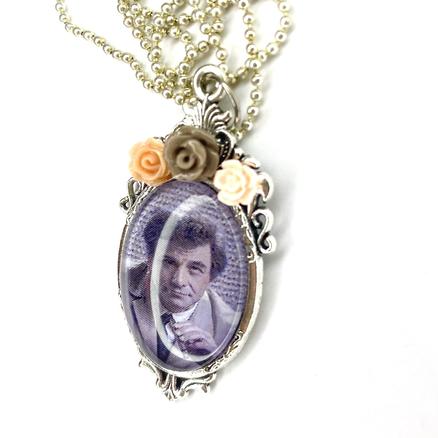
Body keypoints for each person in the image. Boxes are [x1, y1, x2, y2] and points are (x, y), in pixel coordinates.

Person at [129, 211, 236, 369]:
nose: (179, 281)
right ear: (150, 261)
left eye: (195, 268)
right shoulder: (118, 282)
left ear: (210, 278)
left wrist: (213, 360)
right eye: (169, 262)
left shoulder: (227, 326)